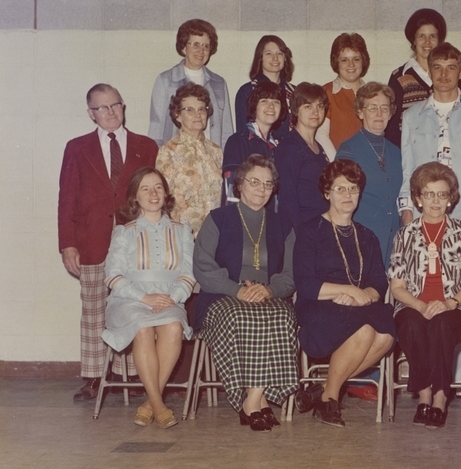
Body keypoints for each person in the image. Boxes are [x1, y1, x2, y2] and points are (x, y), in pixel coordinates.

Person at [58, 84, 158, 401]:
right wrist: (67, 244)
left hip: (135, 242)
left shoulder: (146, 145)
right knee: (94, 310)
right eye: (102, 108)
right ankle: (93, 377)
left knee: (132, 305)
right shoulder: (77, 148)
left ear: (123, 106)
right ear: (91, 114)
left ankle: (133, 374)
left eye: (115, 105)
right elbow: (66, 199)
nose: (111, 112)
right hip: (92, 240)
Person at [193, 155, 298, 432]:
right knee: (242, 317)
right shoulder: (218, 218)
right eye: (254, 182)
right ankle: (256, 401)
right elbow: (203, 266)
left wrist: (269, 289)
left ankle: (253, 398)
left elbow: (290, 274)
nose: (261, 189)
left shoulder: (283, 225)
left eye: (267, 183)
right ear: (239, 185)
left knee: (281, 317)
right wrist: (236, 290)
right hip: (223, 295)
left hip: (268, 296)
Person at [293, 160, 396, 428]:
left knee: (385, 334)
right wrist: (348, 291)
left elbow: (378, 282)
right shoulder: (309, 231)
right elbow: (305, 283)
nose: (347, 195)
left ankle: (326, 388)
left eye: (353, 188)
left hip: (358, 304)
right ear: (327, 193)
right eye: (340, 189)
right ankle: (329, 400)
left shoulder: (367, 236)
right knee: (363, 331)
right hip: (319, 306)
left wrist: (364, 295)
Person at [388, 163, 461, 429]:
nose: (435, 201)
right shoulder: (404, 235)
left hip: (456, 305)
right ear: (418, 198)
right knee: (411, 323)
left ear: (451, 198)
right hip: (412, 304)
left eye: (442, 194)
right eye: (429, 194)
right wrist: (419, 305)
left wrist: (450, 302)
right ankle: (424, 395)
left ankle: (439, 399)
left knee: (441, 324)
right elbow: (397, 287)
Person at [102, 168, 195, 429]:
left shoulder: (181, 229)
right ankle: (158, 403)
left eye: (158, 188)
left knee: (174, 327)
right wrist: (144, 297)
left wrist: (171, 297)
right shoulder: (125, 231)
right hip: (129, 299)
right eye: (145, 188)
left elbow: (189, 273)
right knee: (142, 328)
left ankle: (149, 403)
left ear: (166, 194)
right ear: (135, 197)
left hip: (168, 297)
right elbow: (112, 276)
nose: (153, 194)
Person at [398, 42, 461, 242]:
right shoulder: (411, 116)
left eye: (451, 67)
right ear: (430, 73)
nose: (443, 74)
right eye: (437, 68)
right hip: (422, 215)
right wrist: (406, 212)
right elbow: (407, 170)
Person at [335, 82, 402, 268]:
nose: (379, 113)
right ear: (360, 112)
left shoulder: (397, 152)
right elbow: (340, 199)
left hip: (394, 241)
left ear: (391, 113)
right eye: (372, 108)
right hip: (360, 240)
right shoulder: (348, 149)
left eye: (384, 108)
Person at [149, 19, 233, 147]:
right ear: (183, 47)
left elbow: (227, 131)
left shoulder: (219, 83)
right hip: (176, 159)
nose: (201, 51)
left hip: (211, 159)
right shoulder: (165, 80)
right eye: (196, 44)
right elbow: (156, 129)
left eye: (206, 46)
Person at [156, 83, 222, 236]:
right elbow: (162, 199)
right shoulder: (168, 152)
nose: (197, 115)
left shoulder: (216, 151)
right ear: (177, 115)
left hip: (214, 236)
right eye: (190, 110)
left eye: (202, 109)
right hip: (181, 236)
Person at [273, 82, 330, 237]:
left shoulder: (317, 146)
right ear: (296, 110)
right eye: (308, 106)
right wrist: (302, 235)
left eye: (320, 106)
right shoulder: (290, 146)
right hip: (299, 231)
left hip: (318, 227)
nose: (315, 112)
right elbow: (287, 196)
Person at [386, 8, 447, 146]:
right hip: (411, 156)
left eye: (432, 36)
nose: (427, 42)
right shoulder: (399, 77)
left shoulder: (449, 75)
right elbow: (391, 126)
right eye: (421, 36)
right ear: (413, 40)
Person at [222, 79, 286, 205]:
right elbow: (231, 193)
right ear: (254, 107)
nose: (271, 106)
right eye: (264, 101)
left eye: (276, 102)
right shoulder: (239, 141)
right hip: (244, 220)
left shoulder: (278, 146)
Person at [316, 33, 370, 160]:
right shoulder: (327, 92)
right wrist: (338, 164)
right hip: (339, 167)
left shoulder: (373, 93)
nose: (351, 65)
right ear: (336, 62)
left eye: (356, 59)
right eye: (344, 60)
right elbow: (320, 134)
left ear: (363, 60)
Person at [234, 34, 296, 139]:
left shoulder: (295, 92)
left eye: (280, 53)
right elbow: (243, 133)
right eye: (269, 53)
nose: (275, 58)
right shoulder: (247, 91)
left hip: (289, 152)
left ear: (285, 58)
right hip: (258, 153)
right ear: (260, 58)